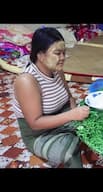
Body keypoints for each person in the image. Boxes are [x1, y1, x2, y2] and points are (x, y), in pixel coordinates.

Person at [12, 27, 90, 168]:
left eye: (64, 53)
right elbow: (35, 123)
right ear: (40, 55)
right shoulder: (27, 81)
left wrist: (76, 119)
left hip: (61, 119)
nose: (62, 58)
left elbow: (69, 98)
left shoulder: (56, 70)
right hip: (39, 134)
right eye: (57, 53)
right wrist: (71, 115)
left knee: (92, 125)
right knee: (69, 152)